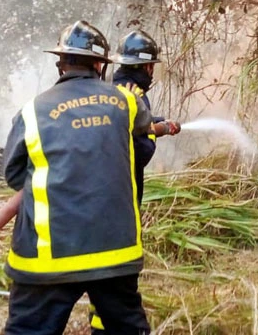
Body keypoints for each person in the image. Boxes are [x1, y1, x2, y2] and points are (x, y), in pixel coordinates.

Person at [2, 20, 153, 335]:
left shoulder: (32, 111)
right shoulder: (126, 102)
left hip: (48, 259)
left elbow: (14, 174)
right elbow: (139, 151)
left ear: (61, 64)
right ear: (100, 64)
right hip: (115, 254)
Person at [88, 29, 181, 335]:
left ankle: (100, 322)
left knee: (102, 270)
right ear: (145, 67)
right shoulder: (133, 94)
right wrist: (154, 135)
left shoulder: (113, 88)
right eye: (151, 65)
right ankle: (109, 327)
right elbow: (136, 151)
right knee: (119, 271)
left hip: (104, 195)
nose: (153, 72)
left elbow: (133, 129)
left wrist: (156, 126)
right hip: (121, 196)